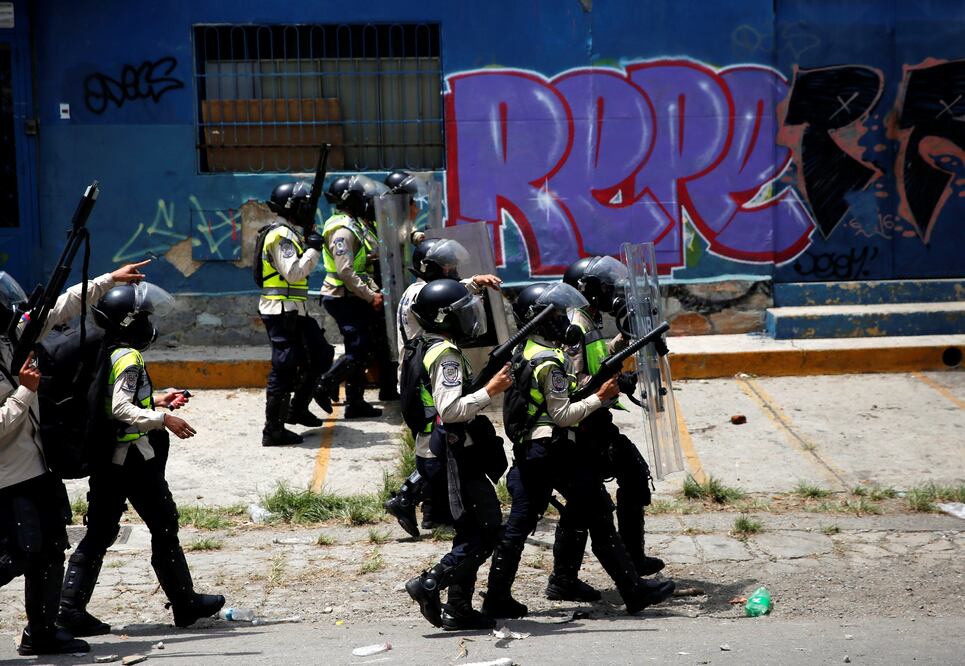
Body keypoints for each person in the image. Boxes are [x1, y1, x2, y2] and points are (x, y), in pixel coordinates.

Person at [481, 282, 675, 619]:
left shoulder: (525, 351)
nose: (562, 320)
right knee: (599, 513)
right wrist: (599, 397)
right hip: (554, 452)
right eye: (554, 315)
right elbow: (562, 414)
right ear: (538, 320)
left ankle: (498, 597)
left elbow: (562, 394)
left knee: (518, 525)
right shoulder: (549, 362)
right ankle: (633, 591)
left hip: (531, 454)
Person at [56, 282, 225, 637]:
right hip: (133, 462)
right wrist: (166, 419)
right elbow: (120, 408)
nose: (149, 323)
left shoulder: (107, 350)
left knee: (100, 533)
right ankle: (184, 603)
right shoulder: (130, 357)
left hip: (108, 460)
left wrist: (159, 400)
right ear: (130, 321)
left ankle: (69, 609)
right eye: (144, 316)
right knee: (164, 525)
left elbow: (111, 400)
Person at [0, 261, 148, 656]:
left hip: (35, 465)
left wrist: (108, 280)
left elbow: (58, 307)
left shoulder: (10, 338)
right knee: (14, 555)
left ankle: (43, 632)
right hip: (6, 475)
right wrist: (25, 393)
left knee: (50, 549)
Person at [543, 256, 665, 603]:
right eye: (608, 287)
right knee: (586, 504)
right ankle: (564, 579)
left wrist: (625, 344)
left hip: (597, 422)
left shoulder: (591, 320)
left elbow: (597, 359)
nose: (615, 292)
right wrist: (614, 383)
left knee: (633, 475)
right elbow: (575, 381)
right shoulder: (574, 326)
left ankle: (633, 557)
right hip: (582, 426)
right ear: (589, 290)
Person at [402, 280, 511, 631]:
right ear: (445, 317)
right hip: (449, 456)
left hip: (439, 451)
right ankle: (430, 583)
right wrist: (490, 392)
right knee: (488, 528)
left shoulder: (421, 343)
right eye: (462, 312)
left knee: (472, 528)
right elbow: (449, 409)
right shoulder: (445, 354)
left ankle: (459, 608)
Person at [384, 239, 501, 537]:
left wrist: (473, 283)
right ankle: (407, 498)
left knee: (436, 441)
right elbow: (445, 301)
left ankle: (430, 512)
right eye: (447, 266)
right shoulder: (419, 296)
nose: (452, 271)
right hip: (424, 377)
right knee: (438, 441)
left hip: (420, 373)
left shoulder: (419, 290)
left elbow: (450, 295)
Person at [259, 181, 335, 447]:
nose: (308, 209)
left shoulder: (290, 233)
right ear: (292, 206)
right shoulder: (281, 236)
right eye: (304, 204)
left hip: (294, 311)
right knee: (284, 369)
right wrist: (314, 248)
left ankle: (298, 408)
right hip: (281, 312)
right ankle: (273, 430)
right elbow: (293, 272)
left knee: (321, 355)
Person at [314, 175, 386, 418]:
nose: (366, 201)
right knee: (358, 348)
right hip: (342, 296)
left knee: (362, 348)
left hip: (353, 296)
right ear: (351, 200)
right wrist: (369, 296)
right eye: (361, 197)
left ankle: (356, 402)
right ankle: (324, 384)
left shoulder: (356, 223)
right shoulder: (342, 230)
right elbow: (345, 270)